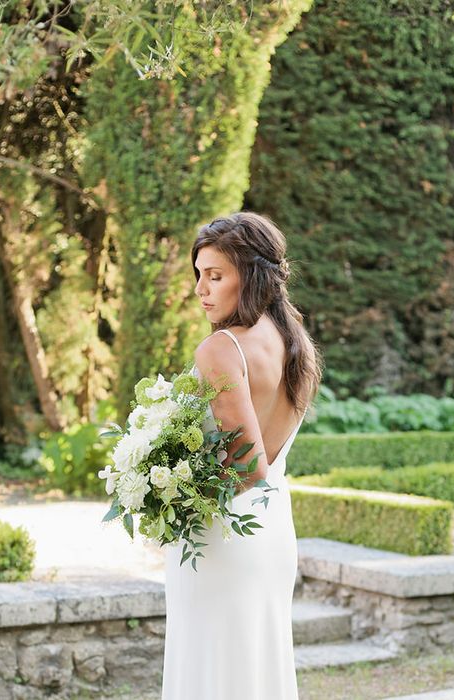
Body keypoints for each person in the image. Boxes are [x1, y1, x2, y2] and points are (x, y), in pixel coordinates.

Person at [161, 211, 323, 700]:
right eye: (199, 276)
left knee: (210, 672)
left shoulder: (220, 349)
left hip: (222, 539)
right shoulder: (295, 341)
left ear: (250, 276)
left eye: (215, 276)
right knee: (257, 673)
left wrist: (171, 496)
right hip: (272, 535)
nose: (201, 289)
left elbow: (248, 466)